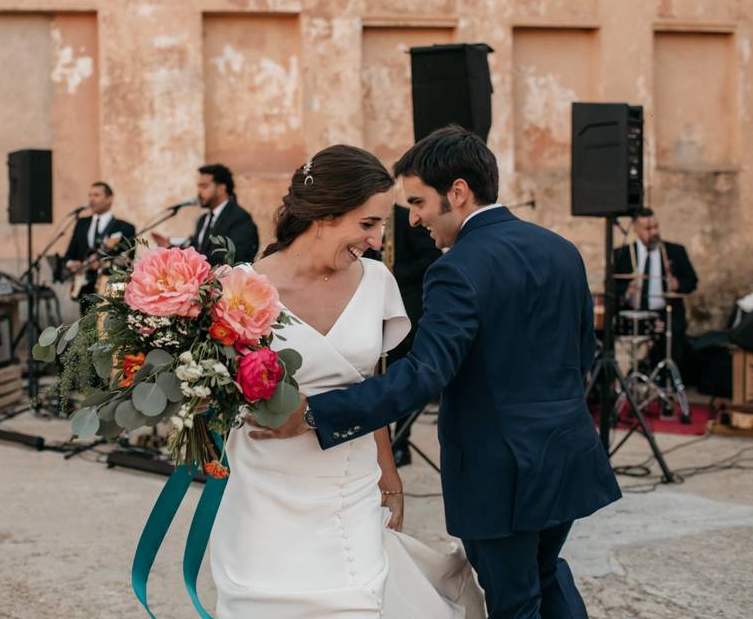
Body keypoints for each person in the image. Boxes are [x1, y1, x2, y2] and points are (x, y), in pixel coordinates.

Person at [251, 126, 621, 619]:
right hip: (568, 452)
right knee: (547, 573)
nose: (415, 217)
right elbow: (582, 355)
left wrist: (319, 413)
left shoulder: (458, 267)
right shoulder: (561, 249)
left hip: (498, 469)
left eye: (419, 201)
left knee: (513, 599)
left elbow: (425, 375)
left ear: (459, 192)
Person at [209, 145, 485, 618]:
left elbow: (371, 387)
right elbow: (214, 389)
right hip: (264, 487)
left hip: (347, 485)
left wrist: (389, 477)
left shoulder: (377, 281)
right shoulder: (237, 287)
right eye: (367, 223)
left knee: (354, 601)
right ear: (324, 215)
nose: (377, 239)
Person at [383, 202, 442, 467]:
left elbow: (431, 257)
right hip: (379, 306)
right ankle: (383, 442)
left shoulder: (404, 218)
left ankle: (401, 441)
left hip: (407, 305)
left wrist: (394, 273)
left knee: (400, 376)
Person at [613, 207, 698, 369]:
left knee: (675, 332)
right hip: (634, 313)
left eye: (656, 227)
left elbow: (692, 281)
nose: (653, 232)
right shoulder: (622, 254)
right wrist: (626, 290)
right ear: (636, 229)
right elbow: (612, 286)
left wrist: (678, 284)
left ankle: (667, 377)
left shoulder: (675, 251)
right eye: (647, 228)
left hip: (665, 312)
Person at [152, 164, 259, 264]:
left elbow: (234, 257)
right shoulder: (203, 220)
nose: (199, 192)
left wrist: (194, 259)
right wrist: (170, 247)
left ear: (221, 188)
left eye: (204, 186)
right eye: (199, 186)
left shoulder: (239, 218)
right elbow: (195, 250)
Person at [62, 181, 135, 314]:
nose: (91, 199)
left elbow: (128, 260)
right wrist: (72, 264)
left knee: (111, 327)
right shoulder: (81, 224)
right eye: (90, 195)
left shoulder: (125, 228)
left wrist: (103, 263)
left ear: (109, 199)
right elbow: (70, 254)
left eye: (96, 195)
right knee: (86, 328)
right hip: (85, 287)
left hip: (112, 287)